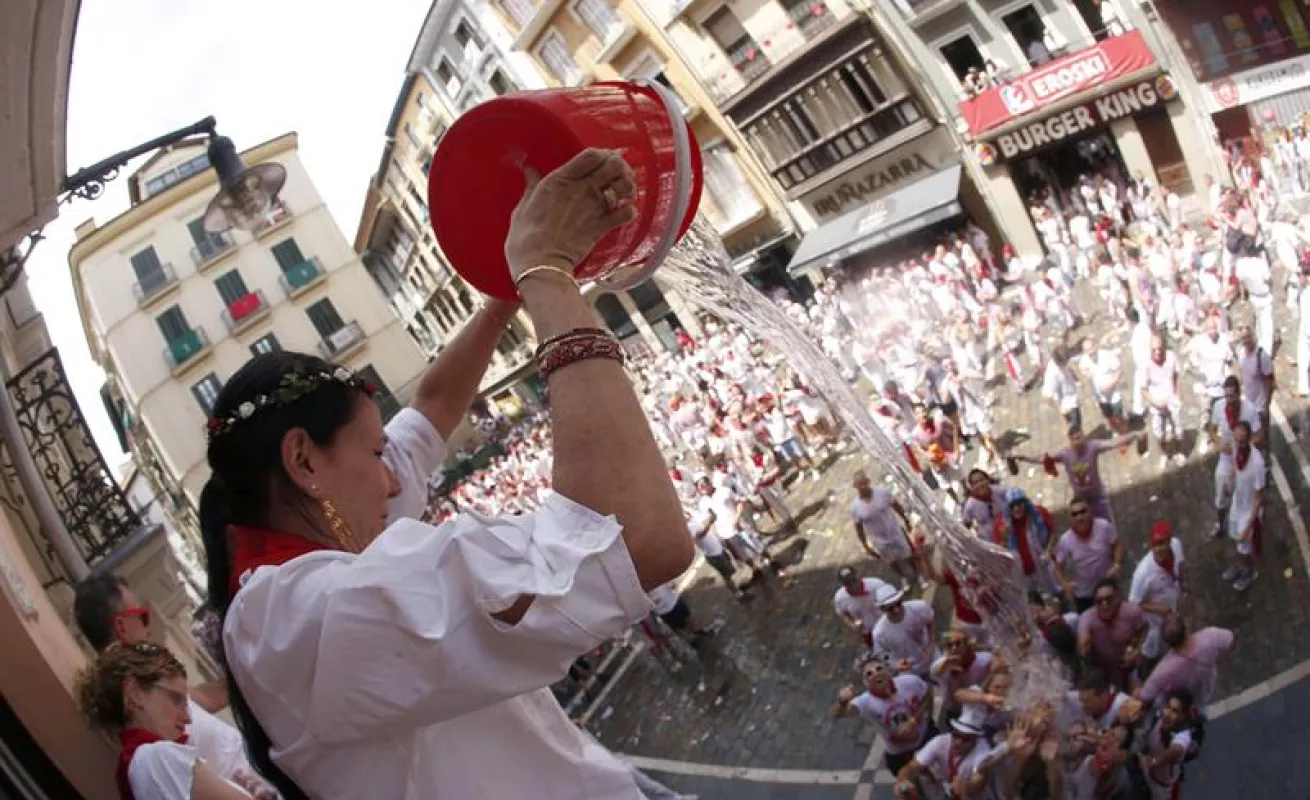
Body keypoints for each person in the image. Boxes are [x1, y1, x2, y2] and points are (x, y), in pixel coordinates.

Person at [201, 149, 697, 798]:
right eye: (375, 455)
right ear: (303, 462)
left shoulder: (333, 551)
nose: (393, 481)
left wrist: (500, 298)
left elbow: (433, 406)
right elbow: (634, 538)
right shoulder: (290, 620)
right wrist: (546, 274)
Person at [75, 641, 271, 800]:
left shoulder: (147, 762)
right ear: (134, 694)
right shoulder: (156, 757)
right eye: (176, 699)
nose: (186, 719)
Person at [74, 573, 228, 714]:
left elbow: (202, 698)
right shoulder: (142, 689)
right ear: (121, 627)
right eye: (142, 617)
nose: (148, 629)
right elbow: (201, 700)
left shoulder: (117, 690)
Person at [834, 653, 935, 776]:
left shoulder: (909, 682)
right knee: (906, 780)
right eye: (869, 674)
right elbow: (837, 714)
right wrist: (842, 701)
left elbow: (927, 695)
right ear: (866, 683)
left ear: (888, 670)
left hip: (924, 737)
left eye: (879, 668)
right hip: (899, 752)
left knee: (936, 764)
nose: (876, 673)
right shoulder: (865, 702)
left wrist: (913, 720)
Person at [893, 705, 1002, 800]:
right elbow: (912, 766)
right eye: (956, 735)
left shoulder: (983, 750)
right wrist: (903, 780)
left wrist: (967, 787)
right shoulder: (940, 741)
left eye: (966, 738)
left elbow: (978, 782)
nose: (958, 742)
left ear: (975, 739)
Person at [1136, 617, 1234, 712]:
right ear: (1186, 627)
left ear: (1167, 643)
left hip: (1177, 707)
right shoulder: (1211, 637)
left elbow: (1145, 696)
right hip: (1205, 691)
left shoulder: (1164, 669)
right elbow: (1230, 639)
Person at [1128, 521, 1185, 678]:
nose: (1159, 549)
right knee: (1151, 650)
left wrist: (1184, 587)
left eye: (1163, 543)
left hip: (1173, 607)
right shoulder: (1143, 573)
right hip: (1155, 620)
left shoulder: (1177, 546)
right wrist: (1161, 609)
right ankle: (1145, 674)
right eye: (1155, 544)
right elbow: (1135, 603)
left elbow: (1180, 566)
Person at [851, 471, 922, 588]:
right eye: (860, 485)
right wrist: (865, 545)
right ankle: (903, 577)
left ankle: (918, 575)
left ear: (869, 482)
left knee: (908, 554)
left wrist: (906, 520)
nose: (863, 487)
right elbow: (858, 527)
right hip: (878, 539)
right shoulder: (855, 507)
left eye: (864, 483)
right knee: (892, 560)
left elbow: (896, 506)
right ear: (855, 486)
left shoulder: (883, 493)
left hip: (894, 530)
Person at [1055, 497, 1122, 613]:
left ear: (1090, 511)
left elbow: (1116, 545)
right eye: (1074, 514)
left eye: (1083, 512)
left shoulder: (1104, 526)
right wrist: (1064, 584)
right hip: (1084, 594)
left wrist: (1116, 565)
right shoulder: (1065, 540)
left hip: (1108, 586)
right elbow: (1057, 568)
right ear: (1070, 518)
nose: (1079, 517)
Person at [1078, 579, 1147, 691]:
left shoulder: (1132, 612)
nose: (1104, 605)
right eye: (1099, 601)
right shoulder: (1088, 618)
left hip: (1126, 666)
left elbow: (1142, 629)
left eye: (1109, 599)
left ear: (1118, 597)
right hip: (1102, 669)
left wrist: (1135, 650)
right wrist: (1084, 646)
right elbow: (1082, 641)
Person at [1222, 420, 1265, 591]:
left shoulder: (1257, 464)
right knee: (1236, 540)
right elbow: (1234, 465)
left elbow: (1259, 498)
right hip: (1237, 504)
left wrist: (1249, 526)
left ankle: (1249, 572)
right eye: (1236, 438)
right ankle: (1240, 567)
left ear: (1248, 439)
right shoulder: (1235, 448)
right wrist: (1230, 479)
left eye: (1242, 440)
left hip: (1249, 510)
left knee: (1244, 545)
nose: (1238, 443)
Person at [991, 488, 1057, 595]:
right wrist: (1004, 537)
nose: (1016, 509)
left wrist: (1048, 551)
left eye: (1019, 504)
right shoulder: (1001, 525)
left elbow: (1052, 533)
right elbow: (1001, 554)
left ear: (1025, 503)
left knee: (1056, 597)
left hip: (1045, 569)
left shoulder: (1039, 514)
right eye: (1012, 506)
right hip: (1023, 576)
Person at [1138, 689, 1197, 799]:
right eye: (1168, 707)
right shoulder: (1158, 717)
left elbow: (1176, 749)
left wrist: (1154, 762)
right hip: (1146, 773)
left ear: (1183, 716)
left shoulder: (1183, 736)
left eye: (1175, 711)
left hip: (1161, 787)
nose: (1167, 714)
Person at [873, 585, 939, 679]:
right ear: (882, 609)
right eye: (890, 608)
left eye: (898, 604)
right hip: (910, 668)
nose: (896, 610)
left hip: (933, 655)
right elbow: (882, 654)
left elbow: (930, 621)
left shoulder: (919, 607)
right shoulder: (879, 632)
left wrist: (931, 644)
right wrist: (895, 664)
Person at [834, 566, 893, 647]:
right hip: (868, 632)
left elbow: (891, 599)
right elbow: (843, 613)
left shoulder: (876, 584)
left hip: (888, 624)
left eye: (853, 579)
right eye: (848, 582)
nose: (852, 584)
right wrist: (852, 625)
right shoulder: (840, 598)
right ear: (842, 584)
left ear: (858, 575)